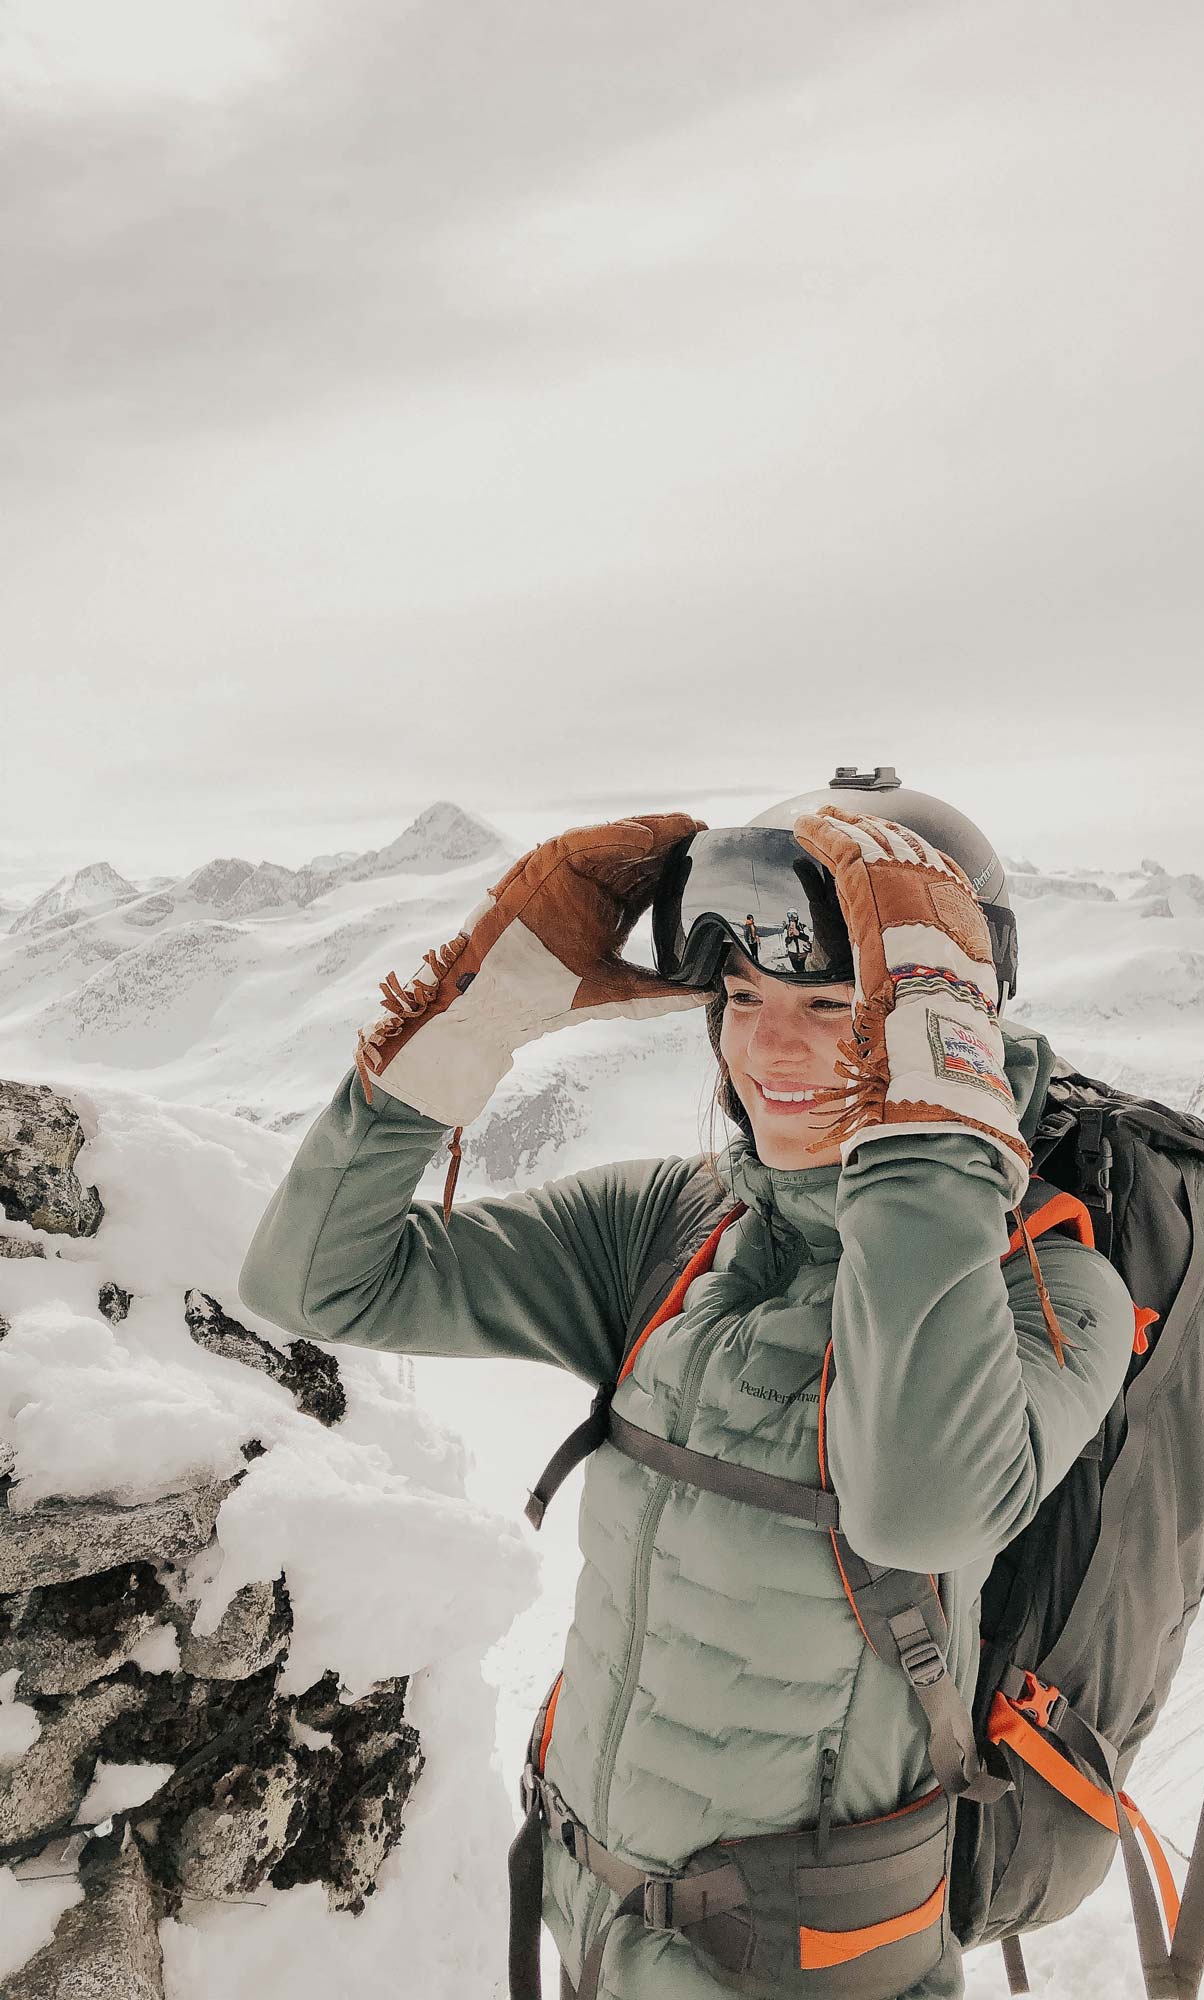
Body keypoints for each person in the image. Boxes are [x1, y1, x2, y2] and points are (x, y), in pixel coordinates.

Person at [238, 773, 1135, 2000]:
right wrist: (475, 1011)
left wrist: (929, 1125)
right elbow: (319, 1279)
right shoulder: (675, 1225)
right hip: (592, 1917)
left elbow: (918, 1513)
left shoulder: (1049, 1285)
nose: (770, 1047)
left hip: (814, 1963)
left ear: (946, 1027)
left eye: (833, 1004)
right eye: (742, 996)